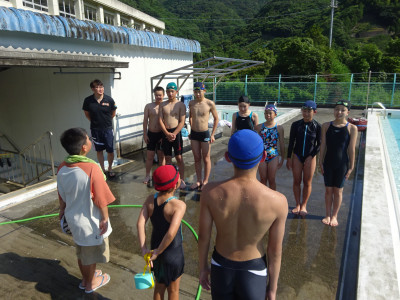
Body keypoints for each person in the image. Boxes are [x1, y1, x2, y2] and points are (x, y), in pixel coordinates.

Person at [198, 129, 287, 300]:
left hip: (221, 265)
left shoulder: (210, 192)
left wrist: (202, 268)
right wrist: (272, 288)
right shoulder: (278, 201)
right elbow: (275, 250)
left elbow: (204, 236)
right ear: (262, 157)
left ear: (227, 157)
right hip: (254, 270)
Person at [57, 127, 115, 293]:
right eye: (88, 139)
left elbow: (62, 195)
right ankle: (90, 284)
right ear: (84, 147)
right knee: (90, 255)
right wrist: (104, 218)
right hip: (90, 221)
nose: (90, 141)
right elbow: (101, 198)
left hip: (73, 219)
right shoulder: (92, 168)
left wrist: (62, 213)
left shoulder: (62, 166)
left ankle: (85, 279)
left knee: (82, 252)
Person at [137, 165, 186, 300]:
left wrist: (144, 248)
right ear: (176, 184)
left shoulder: (149, 200)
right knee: (173, 290)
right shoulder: (179, 205)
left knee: (159, 288)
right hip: (173, 254)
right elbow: (171, 234)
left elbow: (140, 223)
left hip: (154, 252)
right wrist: (159, 251)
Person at [320, 100, 357, 227]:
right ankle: (327, 214)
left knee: (338, 191)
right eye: (337, 109)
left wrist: (351, 167)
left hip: (342, 164)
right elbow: (323, 145)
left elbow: (351, 149)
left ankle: (334, 215)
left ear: (348, 112)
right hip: (328, 163)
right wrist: (320, 162)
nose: (339, 112)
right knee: (328, 190)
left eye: (342, 110)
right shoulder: (326, 126)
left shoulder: (352, 128)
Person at [286, 100, 321, 216]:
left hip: (310, 156)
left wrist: (311, 156)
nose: (306, 114)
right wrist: (289, 158)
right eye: (304, 111)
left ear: (314, 112)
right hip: (297, 155)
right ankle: (297, 204)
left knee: (307, 182)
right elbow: (291, 142)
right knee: (296, 181)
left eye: (309, 111)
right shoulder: (295, 125)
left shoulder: (317, 126)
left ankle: (304, 205)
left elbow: (320, 144)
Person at [82, 79, 117, 177]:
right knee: (99, 150)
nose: (100, 89)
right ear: (93, 89)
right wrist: (95, 122)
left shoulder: (109, 100)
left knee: (110, 150)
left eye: (101, 87)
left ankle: (110, 168)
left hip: (108, 129)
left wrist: (106, 121)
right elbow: (87, 114)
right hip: (95, 130)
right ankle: (103, 169)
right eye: (97, 87)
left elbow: (113, 113)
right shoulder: (88, 101)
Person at [188, 82, 219, 190]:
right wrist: (191, 129)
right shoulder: (191, 103)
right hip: (194, 134)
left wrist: (213, 134)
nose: (197, 94)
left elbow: (216, 118)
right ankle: (198, 180)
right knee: (196, 158)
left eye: (199, 92)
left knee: (206, 158)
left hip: (205, 133)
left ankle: (205, 181)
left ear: (204, 91)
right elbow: (190, 117)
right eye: (195, 92)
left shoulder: (210, 103)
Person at [159, 82, 187, 189]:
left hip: (176, 133)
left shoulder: (180, 105)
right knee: (167, 158)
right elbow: (160, 120)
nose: (170, 94)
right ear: (166, 92)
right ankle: (170, 179)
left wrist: (174, 134)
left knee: (179, 157)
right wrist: (166, 133)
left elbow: (182, 121)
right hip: (166, 133)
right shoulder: (163, 104)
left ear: (176, 92)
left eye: (172, 91)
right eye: (168, 91)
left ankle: (182, 179)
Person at [255, 104, 285, 191]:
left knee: (271, 179)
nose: (268, 115)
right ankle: (263, 198)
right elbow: (255, 143)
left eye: (270, 113)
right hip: (262, 155)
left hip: (273, 156)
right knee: (263, 179)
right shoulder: (259, 127)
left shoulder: (279, 128)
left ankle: (273, 198)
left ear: (275, 114)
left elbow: (282, 143)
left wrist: (282, 158)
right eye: (266, 113)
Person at [143, 86, 166, 184]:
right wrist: (145, 134)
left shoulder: (165, 106)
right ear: (154, 95)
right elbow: (145, 121)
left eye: (160, 95)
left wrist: (164, 136)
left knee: (162, 156)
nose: (158, 97)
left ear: (163, 95)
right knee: (150, 156)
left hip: (162, 134)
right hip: (151, 134)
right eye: (156, 95)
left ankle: (161, 175)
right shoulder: (149, 106)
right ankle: (148, 175)